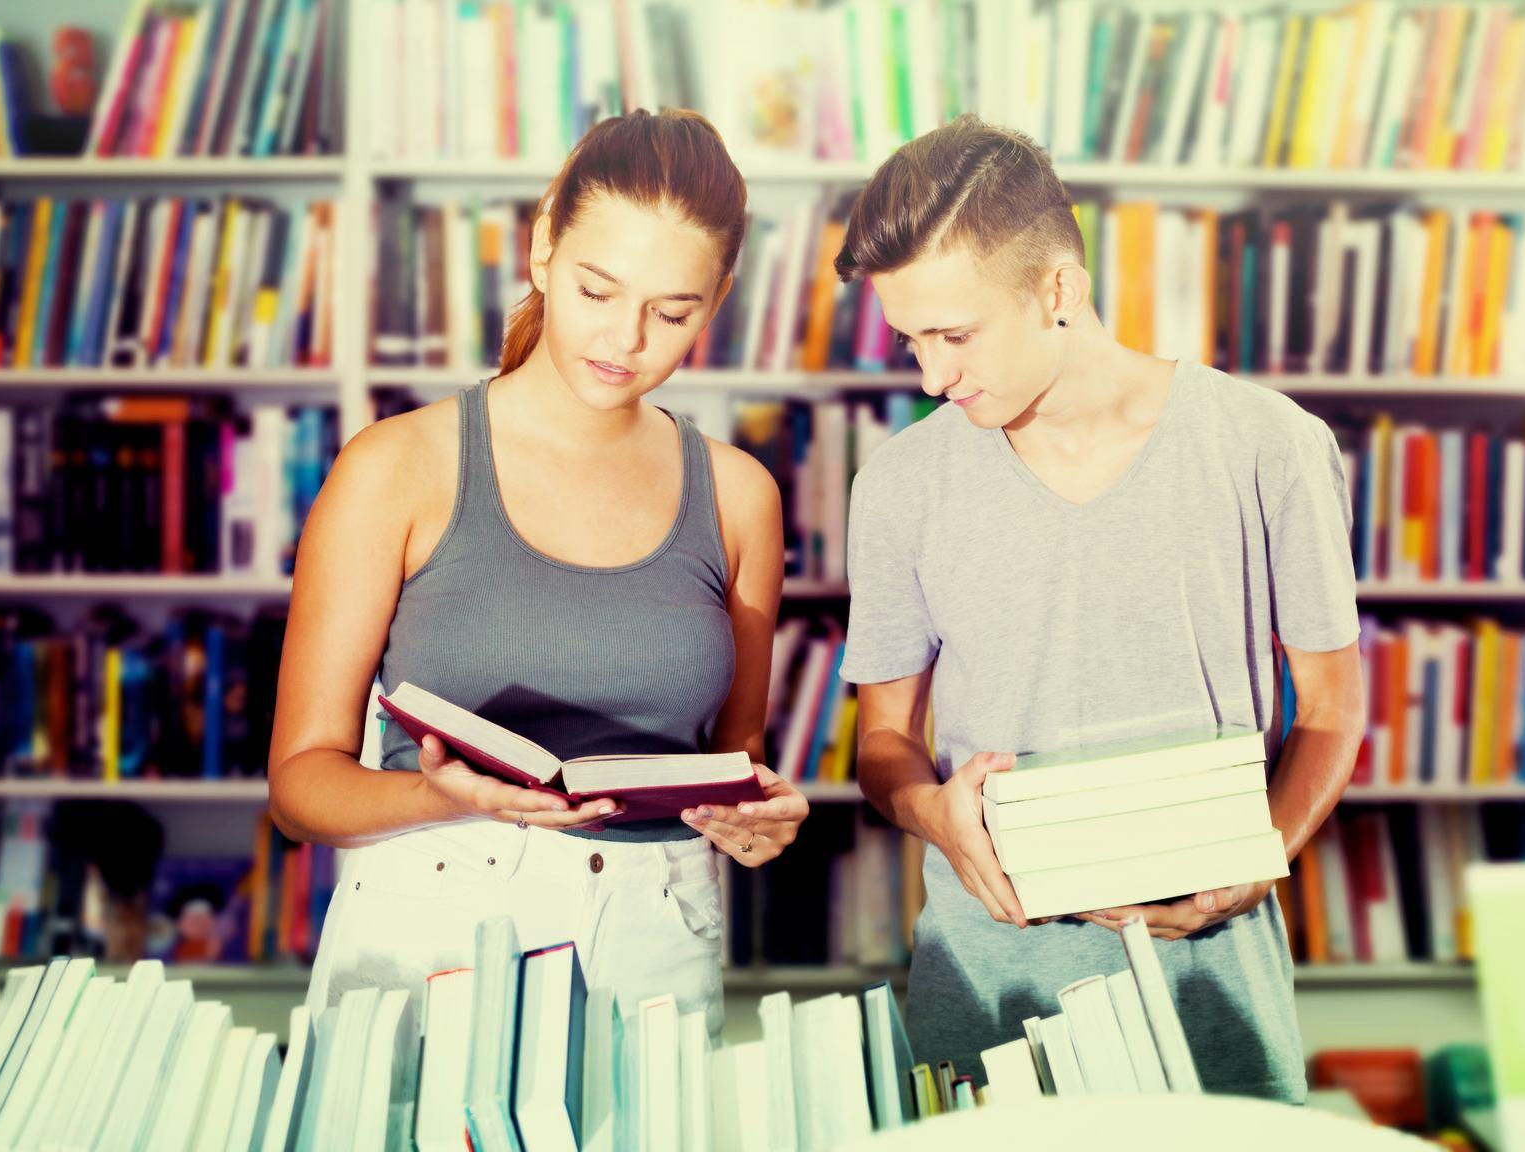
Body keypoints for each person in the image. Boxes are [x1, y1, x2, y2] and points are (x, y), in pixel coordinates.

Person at [836, 116, 1366, 1100]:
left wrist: (1264, 857)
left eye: (954, 337)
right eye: (912, 341)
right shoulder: (900, 483)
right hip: (984, 989)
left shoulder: (1269, 447)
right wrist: (933, 816)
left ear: (1059, 290)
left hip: (1213, 986)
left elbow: (1332, 709)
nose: (932, 377)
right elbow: (882, 740)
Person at [267, 110, 808, 1040]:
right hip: (433, 919)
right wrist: (438, 795)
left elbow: (736, 755)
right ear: (543, 249)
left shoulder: (740, 495)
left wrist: (760, 814)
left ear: (713, 305)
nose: (626, 338)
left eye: (671, 313)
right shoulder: (396, 467)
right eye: (598, 290)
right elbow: (299, 787)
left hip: (655, 936)